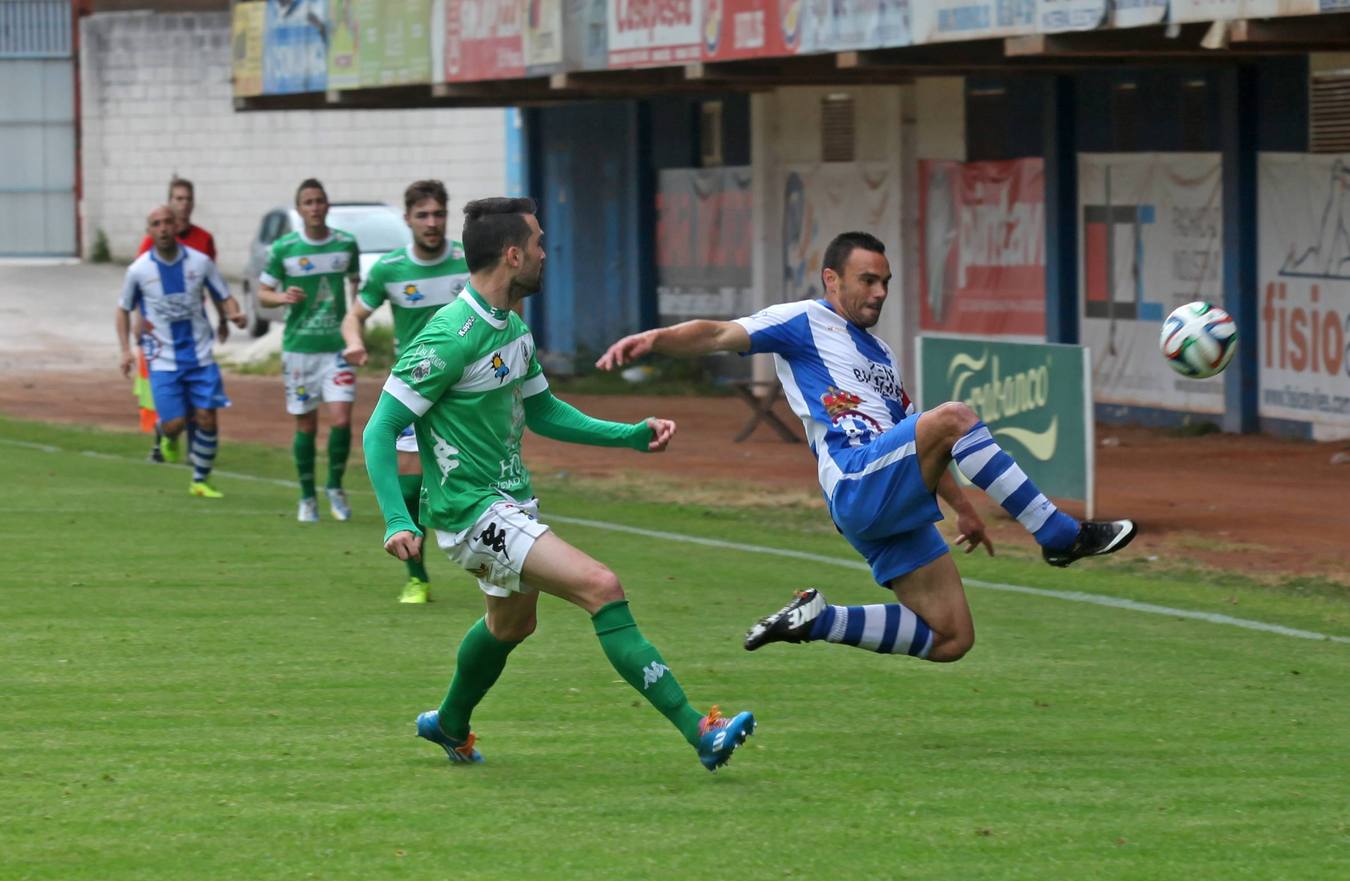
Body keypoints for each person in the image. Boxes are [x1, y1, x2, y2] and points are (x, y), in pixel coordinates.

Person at [597, 231, 1137, 665]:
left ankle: (819, 620)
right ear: (832, 279)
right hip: (856, 480)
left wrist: (966, 510)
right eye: (867, 280)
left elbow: (919, 443)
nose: (879, 292)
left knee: (951, 637)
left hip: (888, 493)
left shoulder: (879, 354)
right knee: (954, 417)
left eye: (885, 282)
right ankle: (1059, 535)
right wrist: (657, 340)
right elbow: (718, 333)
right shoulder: (802, 321)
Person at [362, 197, 755, 771]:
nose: (548, 255)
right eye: (540, 244)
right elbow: (381, 428)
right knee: (602, 585)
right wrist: (398, 517)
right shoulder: (448, 334)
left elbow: (544, 412)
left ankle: (448, 723)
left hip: (510, 503)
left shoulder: (513, 328)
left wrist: (629, 435)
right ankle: (701, 730)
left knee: (512, 623)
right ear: (514, 254)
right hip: (472, 513)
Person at [341, 179, 470, 605]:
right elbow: (354, 316)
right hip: (416, 390)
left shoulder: (467, 261)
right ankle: (417, 577)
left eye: (438, 214)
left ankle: (502, 569)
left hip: (468, 393)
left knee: (480, 484)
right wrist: (355, 341)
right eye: (423, 215)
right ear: (408, 219)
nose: (432, 223)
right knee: (412, 488)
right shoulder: (390, 269)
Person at [116, 205, 245, 498]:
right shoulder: (138, 270)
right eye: (156, 224)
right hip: (162, 360)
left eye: (167, 222)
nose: (162, 228)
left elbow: (224, 295)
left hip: (200, 356)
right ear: (149, 231)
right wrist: (125, 350)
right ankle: (165, 433)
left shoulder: (200, 263)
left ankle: (200, 480)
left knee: (207, 418)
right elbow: (122, 309)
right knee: (175, 424)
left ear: (177, 226)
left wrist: (235, 315)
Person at [257, 178, 361, 524]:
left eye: (320, 201)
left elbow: (355, 286)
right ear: (299, 209)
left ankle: (334, 485)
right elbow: (263, 292)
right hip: (300, 349)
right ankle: (306, 495)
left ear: (327, 206)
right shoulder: (285, 248)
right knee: (306, 424)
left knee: (342, 418)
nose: (315, 207)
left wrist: (355, 328)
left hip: (336, 349)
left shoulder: (346, 245)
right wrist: (282, 297)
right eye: (308, 202)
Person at [133, 178, 221, 463]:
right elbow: (141, 284)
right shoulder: (153, 241)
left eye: (187, 198)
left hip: (195, 324)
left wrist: (224, 319)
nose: (183, 204)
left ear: (193, 202)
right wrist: (138, 321)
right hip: (160, 331)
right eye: (178, 198)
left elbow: (213, 283)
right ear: (170, 202)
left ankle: (196, 454)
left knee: (200, 394)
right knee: (170, 396)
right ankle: (162, 440)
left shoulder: (203, 239)